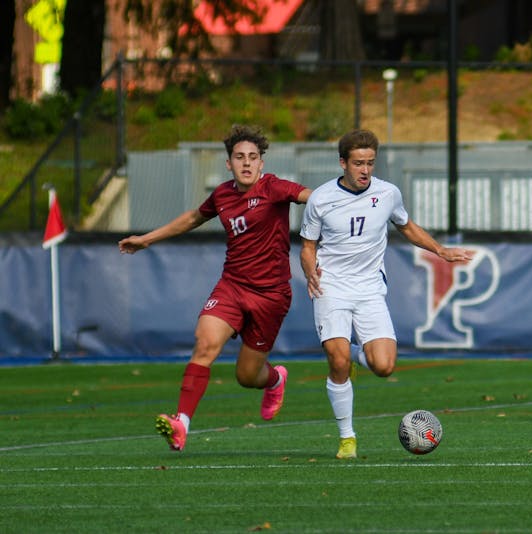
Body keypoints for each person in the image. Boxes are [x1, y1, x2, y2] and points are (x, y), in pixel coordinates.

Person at [118, 124, 311, 451]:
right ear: (229, 163)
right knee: (204, 344)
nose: (247, 163)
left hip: (271, 296)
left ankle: (275, 379)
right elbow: (193, 217)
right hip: (232, 287)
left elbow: (313, 197)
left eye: (253, 157)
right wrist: (147, 239)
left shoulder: (274, 188)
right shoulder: (222, 195)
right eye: (239, 157)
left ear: (262, 163)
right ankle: (181, 424)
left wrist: (348, 200)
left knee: (247, 376)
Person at [299, 129, 474, 459]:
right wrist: (310, 270)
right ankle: (347, 438)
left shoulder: (388, 193)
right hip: (331, 288)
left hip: (369, 290)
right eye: (358, 163)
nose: (365, 170)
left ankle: (353, 356)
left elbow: (406, 226)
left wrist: (440, 250)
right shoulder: (321, 199)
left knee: (384, 366)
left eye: (370, 163)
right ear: (343, 163)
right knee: (336, 360)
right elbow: (307, 247)